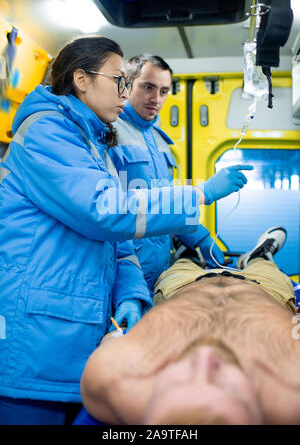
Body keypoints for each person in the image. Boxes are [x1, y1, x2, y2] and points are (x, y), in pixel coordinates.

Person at [0, 36, 252, 425]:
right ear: (81, 80)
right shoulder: (46, 134)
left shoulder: (92, 142)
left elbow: (115, 241)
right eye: (121, 81)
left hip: (73, 324)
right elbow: (107, 213)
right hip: (38, 336)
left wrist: (131, 293)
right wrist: (199, 193)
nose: (126, 91)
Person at [80, 226, 300, 425]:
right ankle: (261, 256)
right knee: (267, 269)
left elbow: (114, 337)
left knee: (182, 264)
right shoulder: (292, 391)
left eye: (175, 385)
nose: (205, 357)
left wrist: (120, 333)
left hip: (182, 288)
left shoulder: (110, 379)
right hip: (264, 291)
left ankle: (186, 254)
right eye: (228, 388)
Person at [109, 54, 226, 292]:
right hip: (122, 268)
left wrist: (196, 233)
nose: (156, 98)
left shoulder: (160, 141)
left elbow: (165, 200)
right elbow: (111, 209)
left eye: (164, 91)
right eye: (148, 87)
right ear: (127, 84)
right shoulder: (111, 131)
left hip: (159, 266)